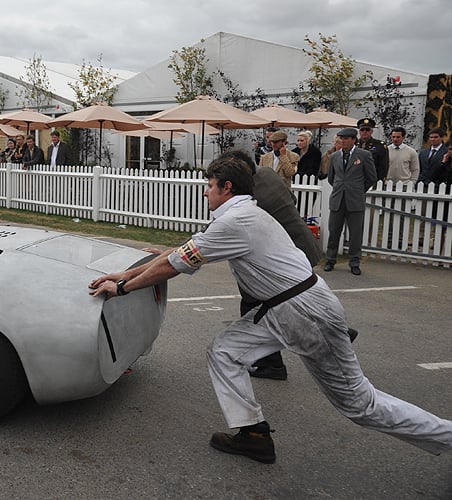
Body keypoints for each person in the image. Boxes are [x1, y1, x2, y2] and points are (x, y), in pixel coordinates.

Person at [88, 154, 452, 464]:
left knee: (361, 405)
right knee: (225, 351)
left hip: (304, 312)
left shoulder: (236, 221)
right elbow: (185, 250)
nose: (204, 191)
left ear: (226, 188)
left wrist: (121, 287)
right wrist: (126, 272)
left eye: (209, 185)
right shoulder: (243, 214)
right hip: (284, 309)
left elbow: (175, 264)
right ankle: (253, 435)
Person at [217, 150, 325, 381]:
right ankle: (333, 332)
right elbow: (292, 199)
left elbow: (226, 226)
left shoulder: (251, 196)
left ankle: (272, 364)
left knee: (254, 306)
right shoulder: (268, 174)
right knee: (292, 301)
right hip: (302, 245)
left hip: (284, 254)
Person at [324, 128, 377, 275]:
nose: (343, 141)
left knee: (355, 233)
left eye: (346, 139)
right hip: (337, 199)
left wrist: (358, 190)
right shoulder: (334, 156)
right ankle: (330, 259)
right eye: (341, 139)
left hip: (355, 200)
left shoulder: (364, 155)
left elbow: (371, 177)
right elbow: (331, 178)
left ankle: (354, 261)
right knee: (334, 231)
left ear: (354, 140)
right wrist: (340, 188)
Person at [356, 118, 389, 183]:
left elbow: (383, 166)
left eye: (367, 130)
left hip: (372, 179)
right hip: (355, 180)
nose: (364, 132)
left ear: (371, 131)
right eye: (362, 130)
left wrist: (379, 180)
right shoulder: (353, 144)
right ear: (359, 131)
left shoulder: (380, 145)